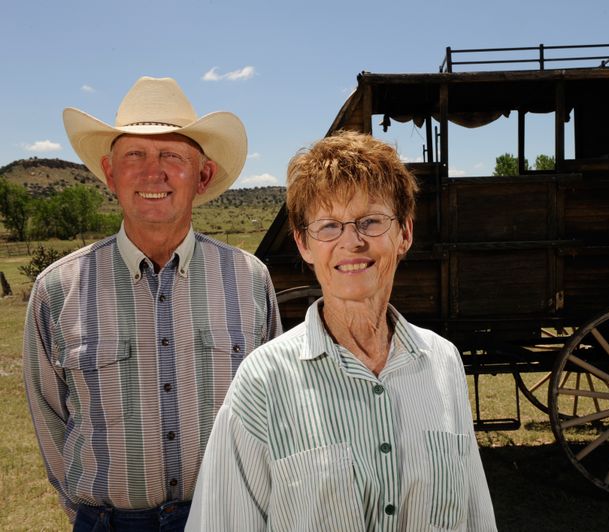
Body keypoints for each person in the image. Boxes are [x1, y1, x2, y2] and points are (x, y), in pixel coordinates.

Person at [187, 130, 497, 531]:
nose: (352, 241)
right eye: (329, 226)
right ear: (303, 244)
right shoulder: (262, 380)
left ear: (404, 233)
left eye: (370, 221)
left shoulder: (443, 361)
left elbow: (474, 517)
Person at [22, 76, 282, 531]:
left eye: (172, 156)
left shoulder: (248, 279)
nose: (152, 172)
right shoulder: (56, 288)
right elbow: (49, 416)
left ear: (202, 176)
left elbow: (273, 407)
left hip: (225, 517)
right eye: (135, 155)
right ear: (110, 173)